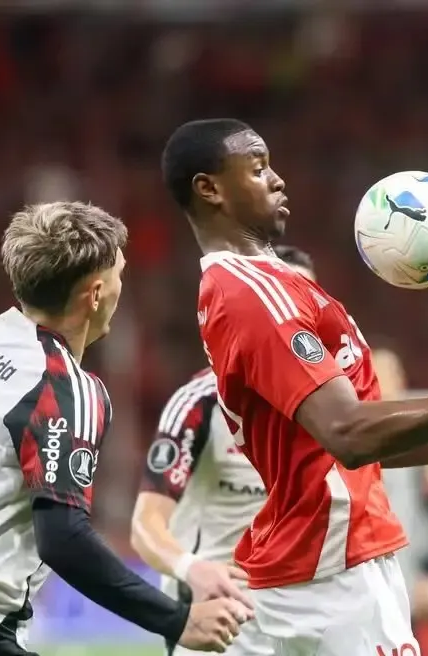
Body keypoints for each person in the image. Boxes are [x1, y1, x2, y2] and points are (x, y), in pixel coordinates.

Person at [161, 118, 428, 656]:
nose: (278, 179)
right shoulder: (252, 297)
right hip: (334, 571)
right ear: (209, 188)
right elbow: (349, 435)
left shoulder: (269, 286)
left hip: (320, 562)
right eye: (259, 167)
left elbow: (340, 443)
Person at [0, 202, 246, 655]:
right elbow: (63, 537)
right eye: (120, 274)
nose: (123, 286)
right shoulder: (62, 385)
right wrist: (177, 619)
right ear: (96, 293)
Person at [130, 244, 316, 656]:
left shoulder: (324, 405)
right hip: (220, 612)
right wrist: (192, 569)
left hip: (302, 605)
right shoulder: (199, 404)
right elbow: (145, 525)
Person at [375, 348, 428, 656]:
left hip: (415, 565)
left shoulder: (422, 431)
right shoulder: (349, 439)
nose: (380, 383)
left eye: (386, 374)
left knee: (424, 639)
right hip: (370, 565)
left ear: (400, 380)